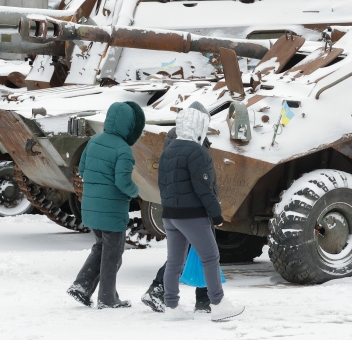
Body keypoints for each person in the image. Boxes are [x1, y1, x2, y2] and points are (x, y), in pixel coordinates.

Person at [158, 101, 244, 322]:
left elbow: (162, 183)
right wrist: (216, 215)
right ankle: (218, 303)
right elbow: (203, 187)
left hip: (170, 214)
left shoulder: (169, 150)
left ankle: (171, 307)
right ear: (199, 126)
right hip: (192, 214)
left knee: (174, 261)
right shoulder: (196, 151)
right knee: (210, 256)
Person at [67, 101, 145, 309]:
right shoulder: (123, 150)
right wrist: (136, 191)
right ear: (128, 125)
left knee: (101, 248)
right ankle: (108, 299)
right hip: (112, 212)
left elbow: (82, 169)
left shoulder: (94, 141)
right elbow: (122, 182)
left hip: (91, 208)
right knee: (113, 256)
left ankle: (81, 286)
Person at [141, 121, 212, 314]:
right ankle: (203, 300)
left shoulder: (175, 136)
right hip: (190, 206)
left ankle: (160, 290)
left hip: (175, 204)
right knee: (199, 253)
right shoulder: (191, 140)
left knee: (183, 255)